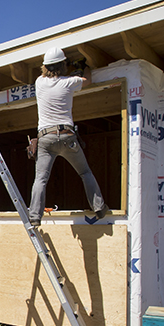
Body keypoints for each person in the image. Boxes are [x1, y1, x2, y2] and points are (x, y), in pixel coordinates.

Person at [28, 46, 108, 226]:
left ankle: (34, 216)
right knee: (85, 172)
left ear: (45, 66)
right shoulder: (69, 82)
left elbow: (52, 75)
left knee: (41, 178)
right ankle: (99, 207)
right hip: (67, 136)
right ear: (63, 66)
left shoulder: (39, 82)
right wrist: (82, 67)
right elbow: (87, 79)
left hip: (45, 138)